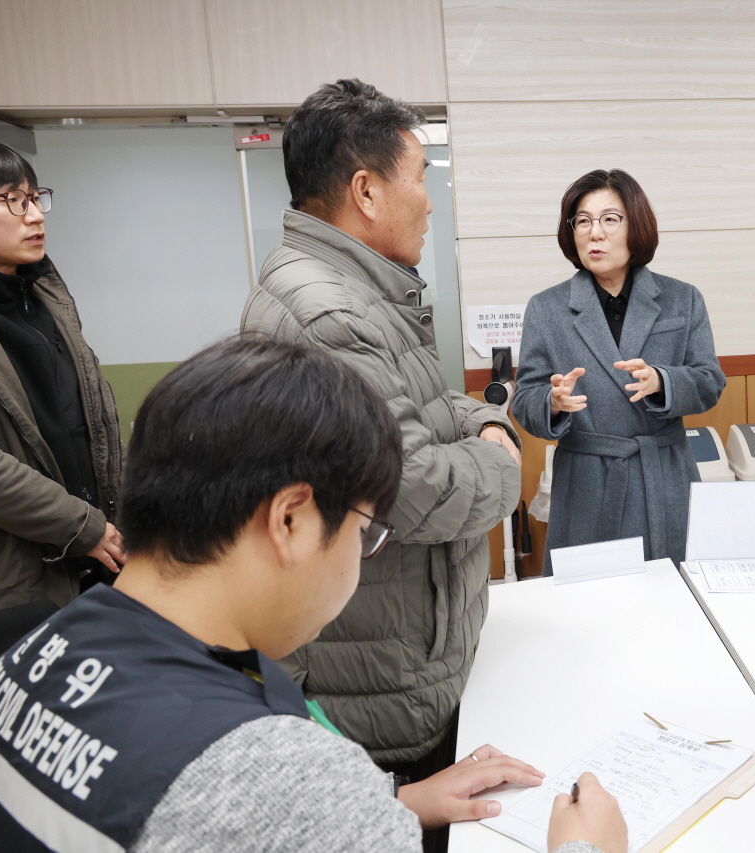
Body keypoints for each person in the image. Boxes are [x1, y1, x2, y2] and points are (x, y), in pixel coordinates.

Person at [0, 336, 627, 853]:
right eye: (365, 531)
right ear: (292, 520)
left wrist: (387, 802)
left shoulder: (32, 647)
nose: (360, 555)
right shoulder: (272, 771)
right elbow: (259, 801)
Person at [238, 79, 523, 814]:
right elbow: (414, 485)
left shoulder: (359, 291)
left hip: (398, 644)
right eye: (421, 179)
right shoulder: (329, 313)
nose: (429, 202)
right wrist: (503, 458)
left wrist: (482, 421)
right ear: (366, 191)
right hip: (377, 670)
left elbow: (427, 407)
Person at [0, 135, 125, 629]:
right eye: (12, 201)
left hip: (96, 559)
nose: (36, 215)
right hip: (1, 581)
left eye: (35, 197)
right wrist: (78, 524)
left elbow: (92, 422)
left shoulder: (43, 294)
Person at [511, 170, 725, 573]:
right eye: (583, 221)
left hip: (663, 475)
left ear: (636, 225)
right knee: (590, 601)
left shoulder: (682, 299)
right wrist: (552, 401)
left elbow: (709, 381)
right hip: (587, 482)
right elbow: (524, 400)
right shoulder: (547, 308)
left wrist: (662, 381)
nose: (595, 233)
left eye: (610, 219)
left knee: (671, 596)